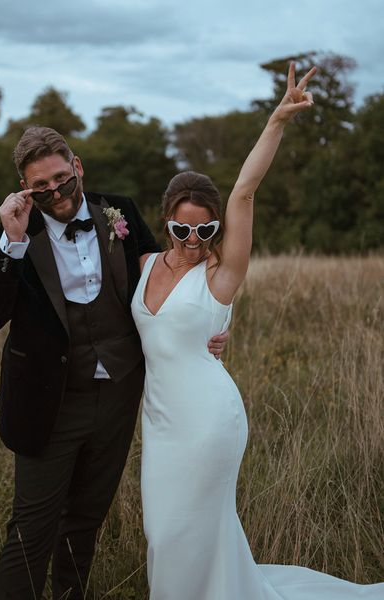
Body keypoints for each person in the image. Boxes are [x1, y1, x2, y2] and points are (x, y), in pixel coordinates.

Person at [131, 63, 384, 599]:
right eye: (182, 228)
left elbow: (245, 192)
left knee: (184, 531)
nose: (193, 237)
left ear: (216, 226)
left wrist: (277, 121)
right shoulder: (144, 264)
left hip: (208, 422)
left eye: (205, 227)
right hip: (159, 423)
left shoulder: (223, 275)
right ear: (167, 222)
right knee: (163, 534)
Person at [0, 126, 229, 599]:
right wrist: (12, 241)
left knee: (85, 522)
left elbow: (170, 274)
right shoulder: (9, 236)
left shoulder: (121, 212)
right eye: (40, 187)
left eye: (62, 179)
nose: (56, 192)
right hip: (49, 403)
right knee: (31, 531)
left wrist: (207, 326)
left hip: (119, 398)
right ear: (26, 188)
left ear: (78, 167)